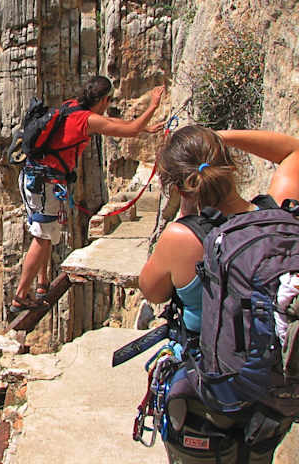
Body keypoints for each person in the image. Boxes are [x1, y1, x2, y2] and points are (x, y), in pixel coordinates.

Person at [139, 125, 299, 463]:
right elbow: (292, 152)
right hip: (274, 394)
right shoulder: (280, 214)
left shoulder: (181, 238)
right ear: (230, 165)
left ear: (179, 186)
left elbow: (150, 291)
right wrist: (220, 137)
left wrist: (182, 219)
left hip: (210, 396)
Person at [10, 76, 165, 313]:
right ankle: (20, 296)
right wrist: (153, 105)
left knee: (46, 232)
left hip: (35, 178)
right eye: (108, 100)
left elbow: (109, 122)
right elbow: (127, 130)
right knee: (42, 237)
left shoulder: (73, 106)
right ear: (103, 100)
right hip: (44, 183)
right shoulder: (86, 120)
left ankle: (42, 283)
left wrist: (141, 126)